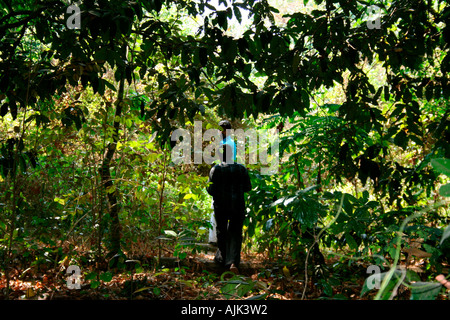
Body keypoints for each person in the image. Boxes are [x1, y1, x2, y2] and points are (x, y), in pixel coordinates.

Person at [207, 144, 252, 274]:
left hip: (221, 205)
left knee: (221, 230)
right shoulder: (242, 169)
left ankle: (222, 258)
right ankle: (233, 262)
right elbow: (248, 187)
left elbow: (211, 190)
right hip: (237, 205)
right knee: (236, 232)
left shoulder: (215, 170)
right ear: (233, 155)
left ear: (220, 155)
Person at [208, 120, 237, 245]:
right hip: (222, 176)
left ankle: (218, 241)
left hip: (224, 179)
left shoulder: (228, 143)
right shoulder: (225, 142)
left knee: (219, 211)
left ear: (225, 131)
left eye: (220, 130)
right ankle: (217, 239)